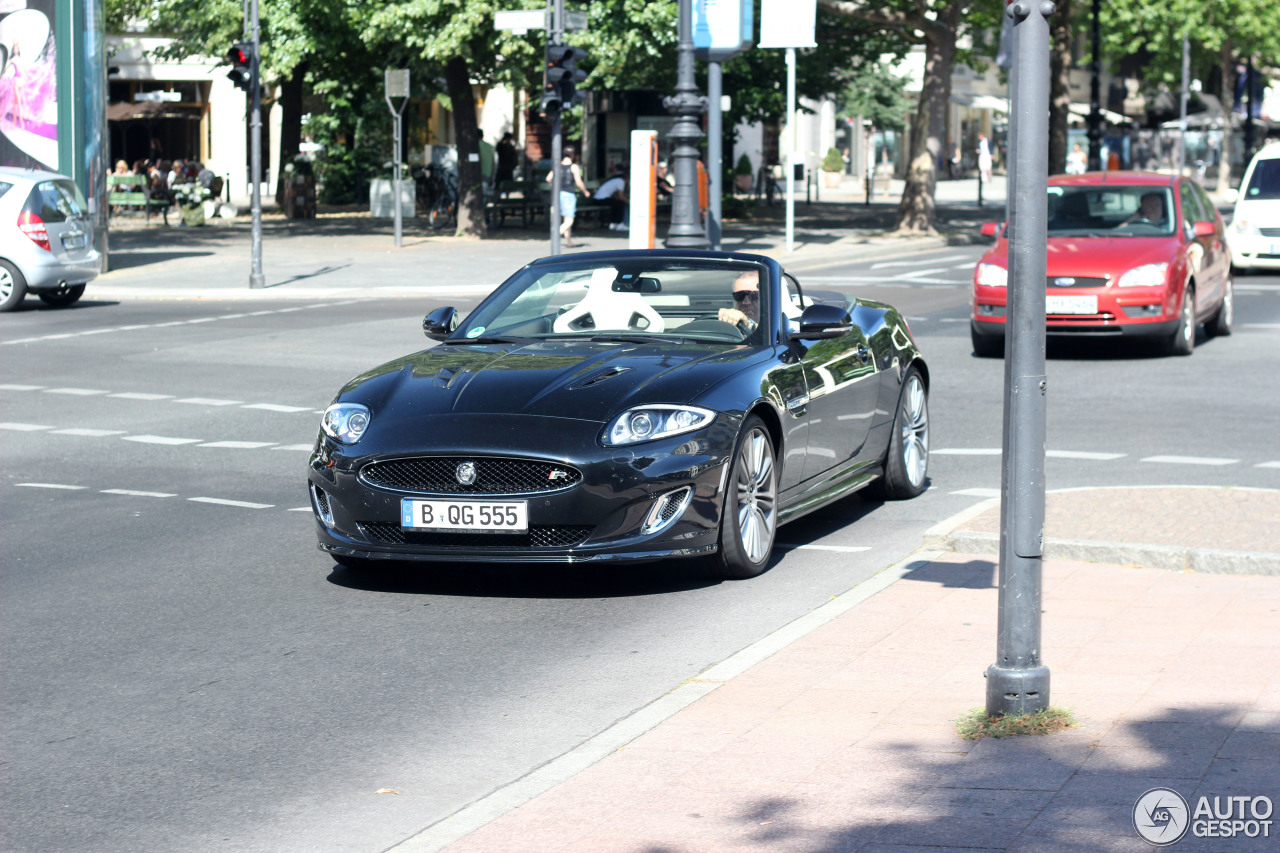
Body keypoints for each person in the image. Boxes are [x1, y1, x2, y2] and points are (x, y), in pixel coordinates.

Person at [545, 145, 589, 247]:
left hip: (558, 194)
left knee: (566, 218)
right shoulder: (574, 167)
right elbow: (578, 182)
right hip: (568, 194)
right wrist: (585, 191)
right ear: (573, 155)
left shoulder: (558, 166)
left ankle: (569, 242)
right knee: (570, 219)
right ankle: (556, 235)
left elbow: (548, 178)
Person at [717, 269, 760, 334]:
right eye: (740, 295)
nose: (746, 302)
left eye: (754, 296)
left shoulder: (776, 325)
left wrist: (749, 325)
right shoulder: (724, 330)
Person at [594, 163, 628, 231]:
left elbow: (617, 196)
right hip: (601, 199)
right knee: (620, 204)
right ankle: (619, 223)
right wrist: (628, 201)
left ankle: (614, 223)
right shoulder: (620, 181)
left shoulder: (615, 180)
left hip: (598, 198)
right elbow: (620, 196)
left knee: (616, 204)